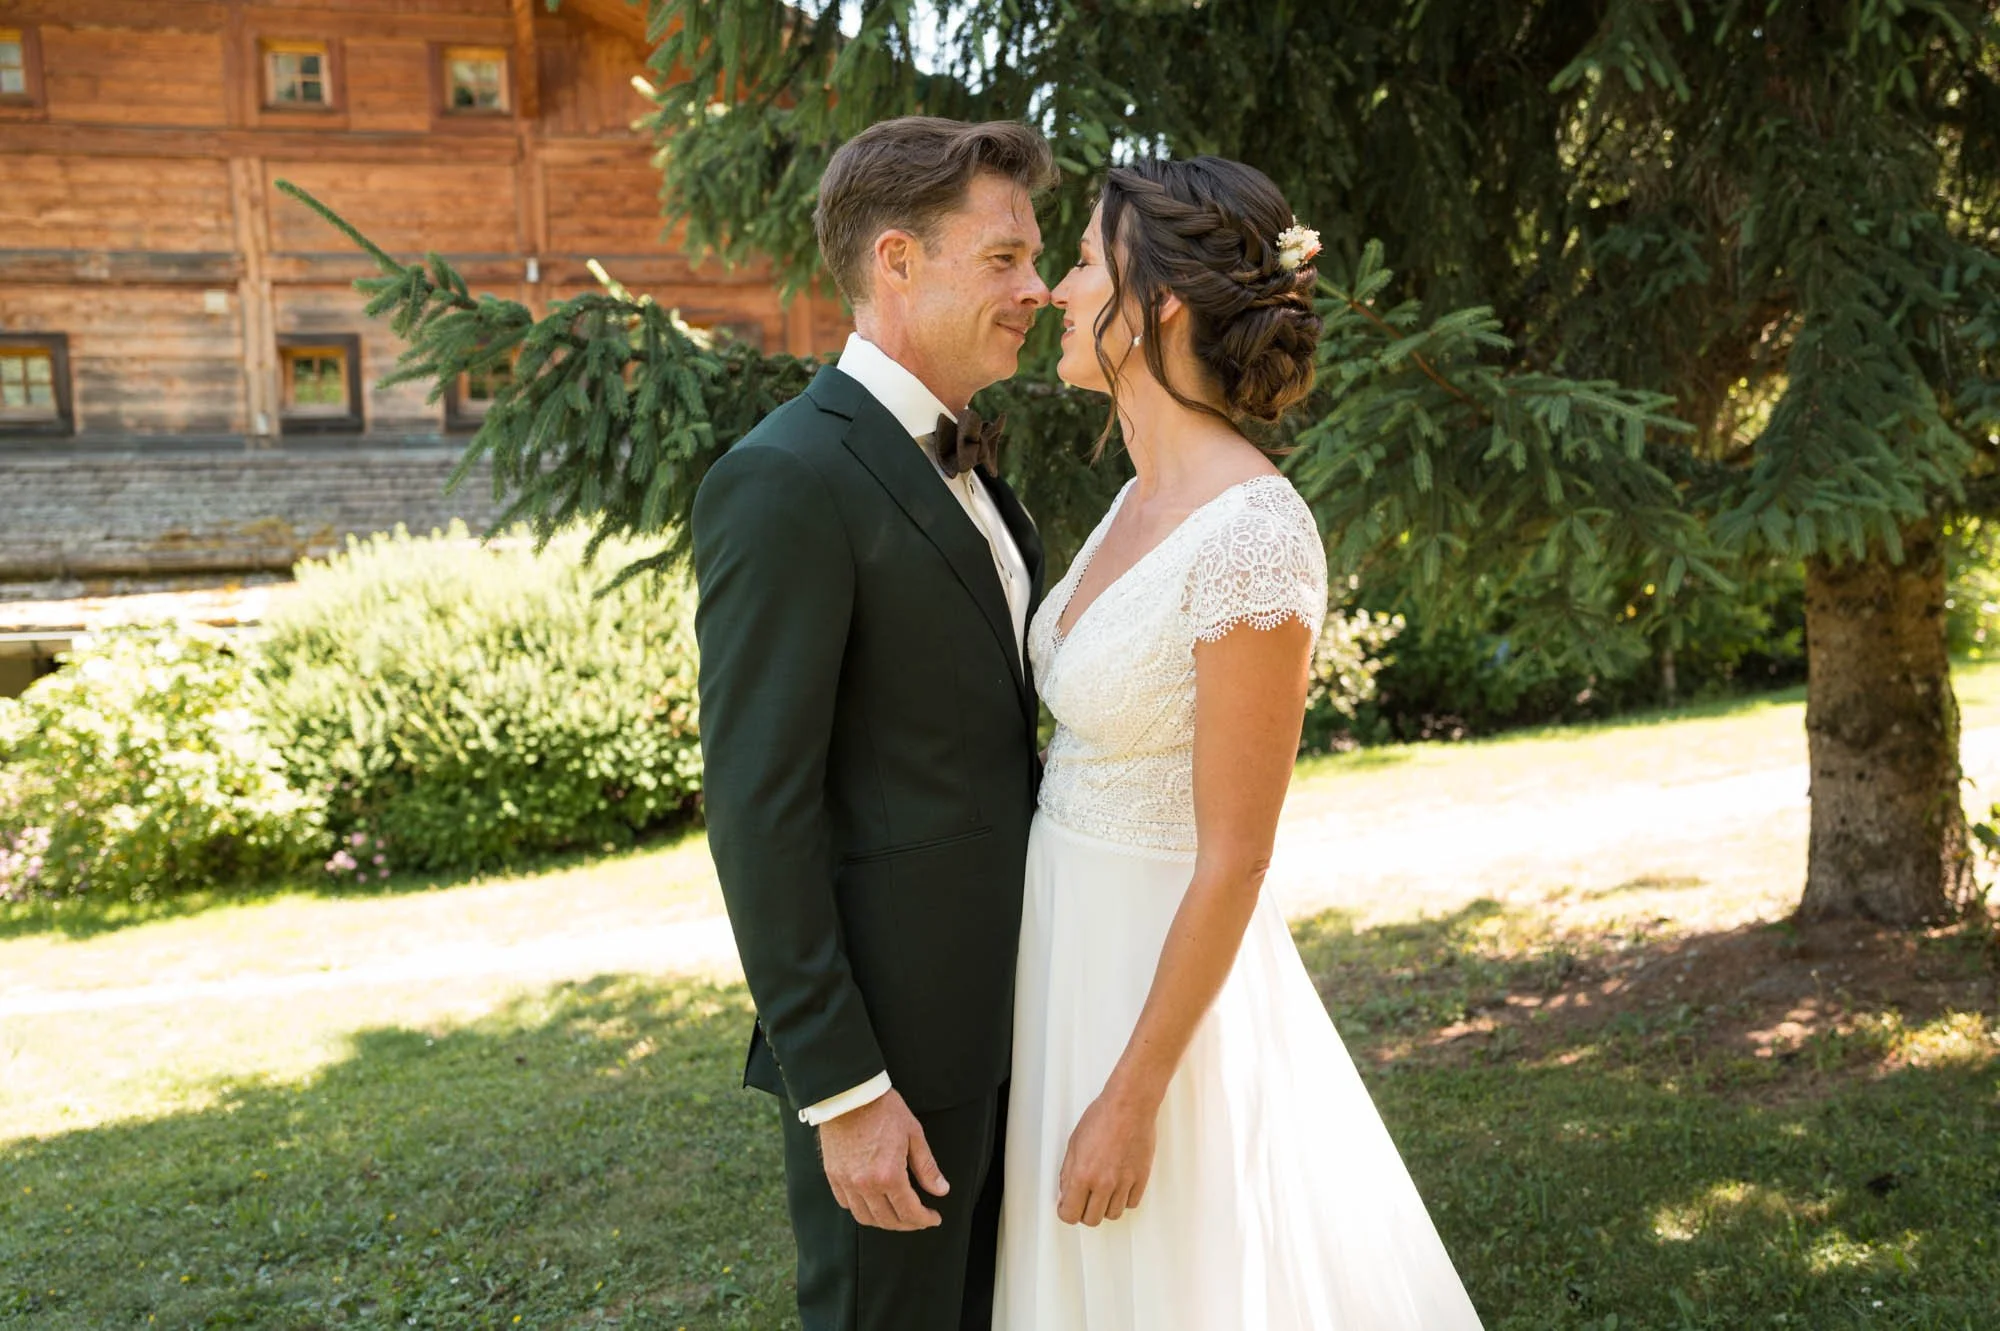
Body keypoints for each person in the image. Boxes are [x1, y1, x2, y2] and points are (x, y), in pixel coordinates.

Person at [993, 156, 1485, 1329]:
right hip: (1065, 950)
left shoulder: (1254, 534)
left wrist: (1133, 1092)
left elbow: (1237, 855)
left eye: (1077, 261)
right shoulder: (1132, 499)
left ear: (1155, 301)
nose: (1056, 289)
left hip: (1160, 998)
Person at [690, 116, 1055, 1331]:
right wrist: (842, 1086)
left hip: (1023, 1019)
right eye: (1003, 257)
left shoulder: (975, 470)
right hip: (893, 1053)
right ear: (898, 260)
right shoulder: (784, 476)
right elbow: (757, 807)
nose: (1037, 288)